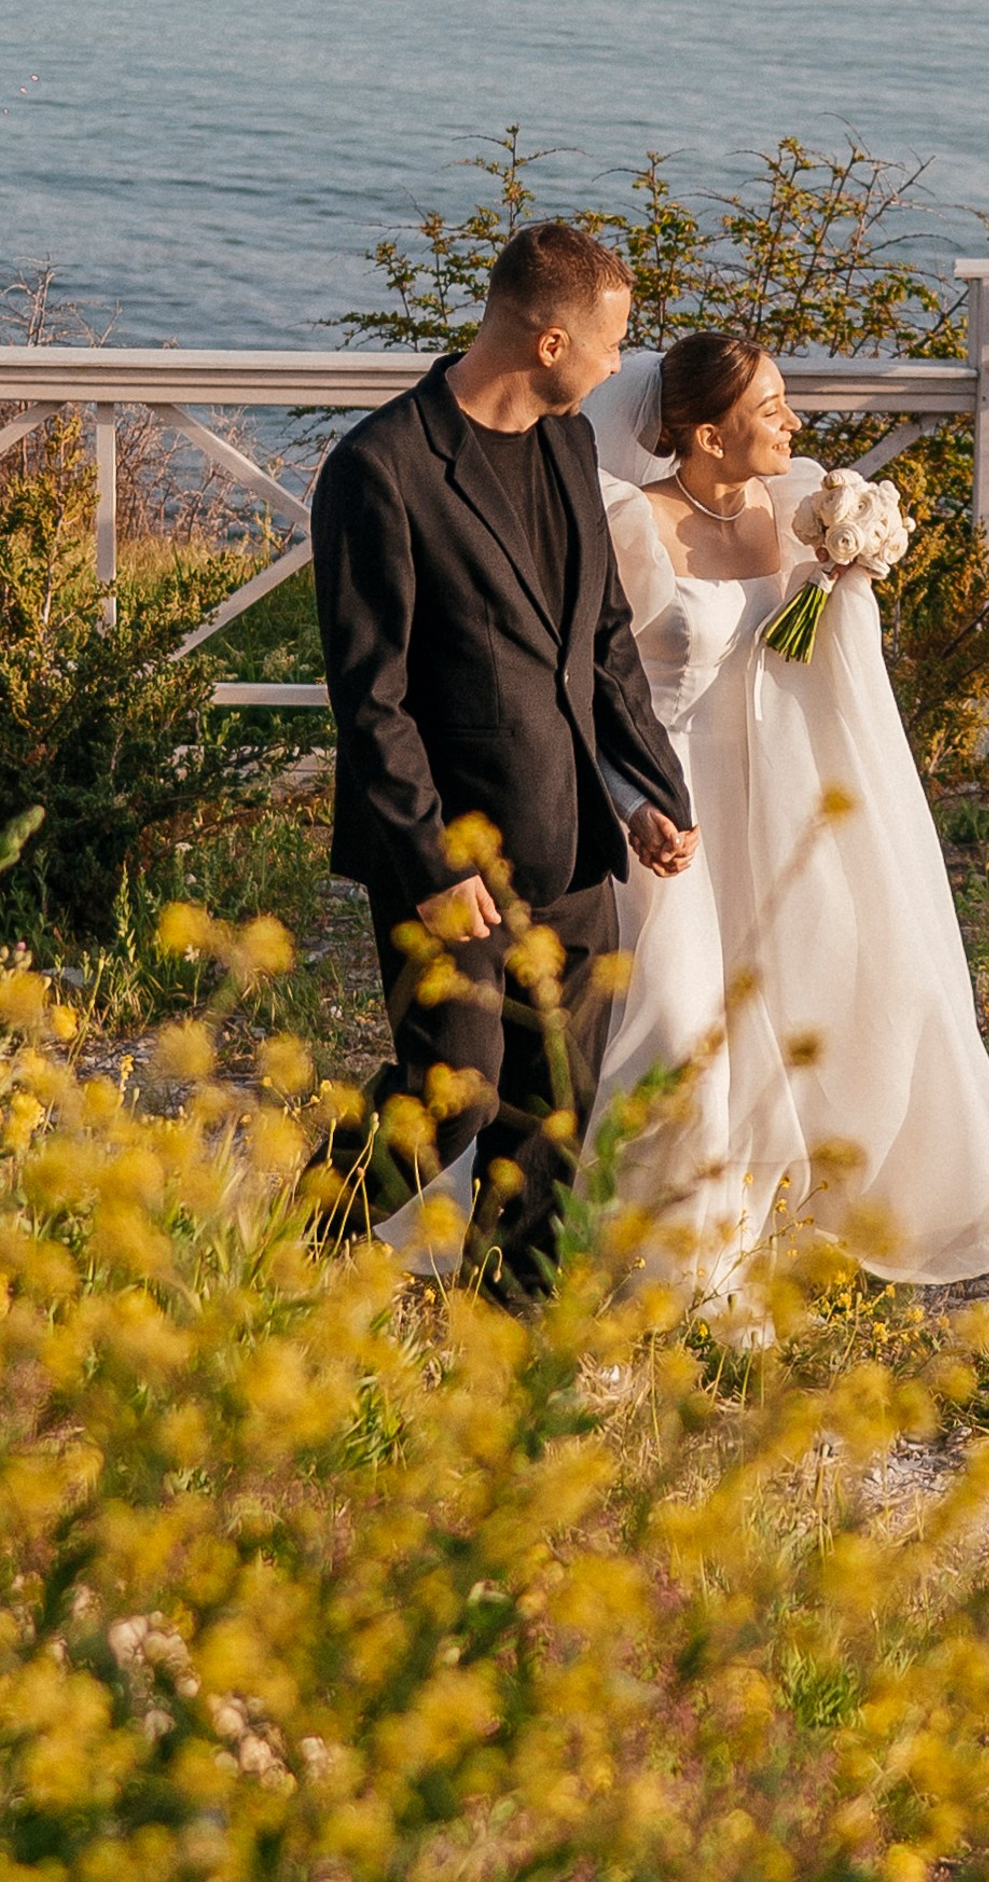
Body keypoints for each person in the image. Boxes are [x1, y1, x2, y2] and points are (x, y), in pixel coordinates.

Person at [582, 331, 989, 1328]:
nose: (795, 420)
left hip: (779, 799)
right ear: (705, 432)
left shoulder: (801, 513)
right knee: (680, 1019)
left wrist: (850, 571)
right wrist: (628, 799)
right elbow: (589, 687)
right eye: (772, 405)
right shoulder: (630, 525)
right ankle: (648, 1261)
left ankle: (735, 1250)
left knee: (787, 1022)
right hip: (668, 805)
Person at [311, 224, 698, 1290]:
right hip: (450, 860)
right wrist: (433, 864)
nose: (623, 365)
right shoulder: (378, 468)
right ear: (546, 340)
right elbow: (371, 701)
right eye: (611, 343)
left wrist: (649, 789)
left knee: (553, 1107)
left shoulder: (572, 445)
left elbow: (603, 639)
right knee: (456, 1094)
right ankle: (287, 1257)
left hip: (574, 841)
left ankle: (512, 1335)